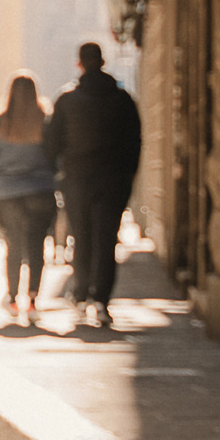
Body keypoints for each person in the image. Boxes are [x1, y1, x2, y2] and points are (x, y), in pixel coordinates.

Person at [46, 41, 142, 327]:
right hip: (113, 179)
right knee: (106, 240)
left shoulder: (66, 100)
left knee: (81, 235)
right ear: (102, 62)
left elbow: (52, 143)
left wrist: (58, 173)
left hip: (77, 178)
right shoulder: (123, 99)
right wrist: (127, 177)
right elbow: (134, 142)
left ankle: (80, 291)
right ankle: (100, 298)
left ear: (80, 64)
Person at [0, 76, 57, 320]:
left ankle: (12, 298)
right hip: (41, 189)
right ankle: (32, 300)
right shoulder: (45, 121)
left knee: (13, 245)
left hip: (8, 190)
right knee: (36, 246)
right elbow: (57, 154)